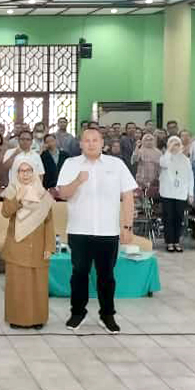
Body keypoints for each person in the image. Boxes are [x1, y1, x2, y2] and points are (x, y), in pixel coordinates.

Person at [55, 128, 137, 334]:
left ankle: (107, 315)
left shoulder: (116, 165)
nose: (91, 144)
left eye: (95, 140)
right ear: (80, 144)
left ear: (103, 143)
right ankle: (77, 313)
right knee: (79, 274)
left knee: (106, 276)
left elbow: (128, 197)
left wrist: (127, 226)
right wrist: (77, 181)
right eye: (86, 140)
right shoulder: (71, 164)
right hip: (79, 230)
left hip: (108, 231)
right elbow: (62, 194)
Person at [1, 162, 55, 329]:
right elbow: (5, 212)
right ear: (16, 173)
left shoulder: (43, 194)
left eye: (28, 171)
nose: (25, 174)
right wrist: (18, 197)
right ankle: (17, 319)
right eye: (21, 171)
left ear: (34, 173)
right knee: (17, 284)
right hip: (17, 245)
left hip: (38, 245)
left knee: (37, 284)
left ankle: (38, 319)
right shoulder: (11, 191)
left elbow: (49, 222)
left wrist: (49, 247)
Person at [158, 136, 194, 253]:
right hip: (167, 193)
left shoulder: (185, 159)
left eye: (177, 144)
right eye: (173, 144)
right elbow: (164, 164)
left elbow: (190, 177)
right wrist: (169, 150)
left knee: (179, 218)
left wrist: (190, 193)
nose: (175, 146)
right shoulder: (165, 157)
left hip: (181, 194)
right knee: (168, 218)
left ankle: (176, 241)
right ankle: (169, 242)